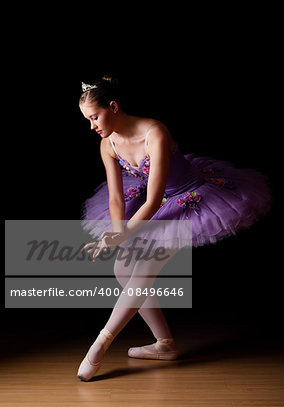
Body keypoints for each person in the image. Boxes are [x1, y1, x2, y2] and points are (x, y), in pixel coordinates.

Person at [77, 75, 272, 381]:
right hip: (147, 202)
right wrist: (118, 235)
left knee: (142, 269)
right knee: (122, 269)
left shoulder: (155, 132)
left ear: (113, 107)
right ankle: (164, 344)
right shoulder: (108, 143)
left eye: (94, 117)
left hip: (187, 199)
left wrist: (125, 234)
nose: (92, 126)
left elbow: (154, 201)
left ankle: (101, 344)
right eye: (87, 120)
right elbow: (115, 197)